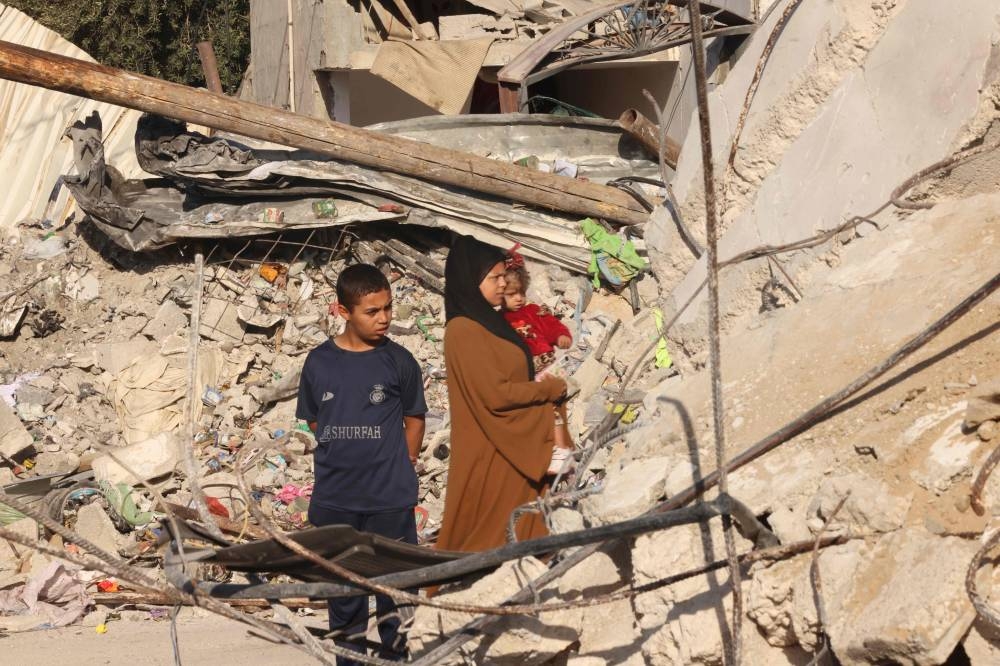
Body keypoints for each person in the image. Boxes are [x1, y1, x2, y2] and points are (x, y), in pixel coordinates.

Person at [295, 263, 427, 664]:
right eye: (372, 311)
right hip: (336, 502)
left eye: (387, 307)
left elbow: (415, 418)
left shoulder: (400, 361)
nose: (384, 318)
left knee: (397, 600)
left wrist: (401, 464)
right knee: (345, 603)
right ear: (343, 311)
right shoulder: (319, 362)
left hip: (390, 502)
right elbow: (317, 420)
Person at [436, 235, 567, 553]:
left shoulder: (491, 322)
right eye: (494, 277)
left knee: (521, 538)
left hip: (510, 446)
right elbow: (494, 394)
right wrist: (550, 389)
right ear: (471, 279)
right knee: (482, 542)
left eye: (502, 276)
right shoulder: (463, 330)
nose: (502, 284)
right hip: (489, 451)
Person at [501, 263, 575, 475]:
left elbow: (552, 326)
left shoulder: (533, 311)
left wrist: (562, 336)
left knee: (550, 407)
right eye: (511, 294)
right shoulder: (500, 320)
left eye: (521, 292)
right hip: (526, 374)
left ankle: (561, 451)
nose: (518, 298)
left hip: (547, 366)